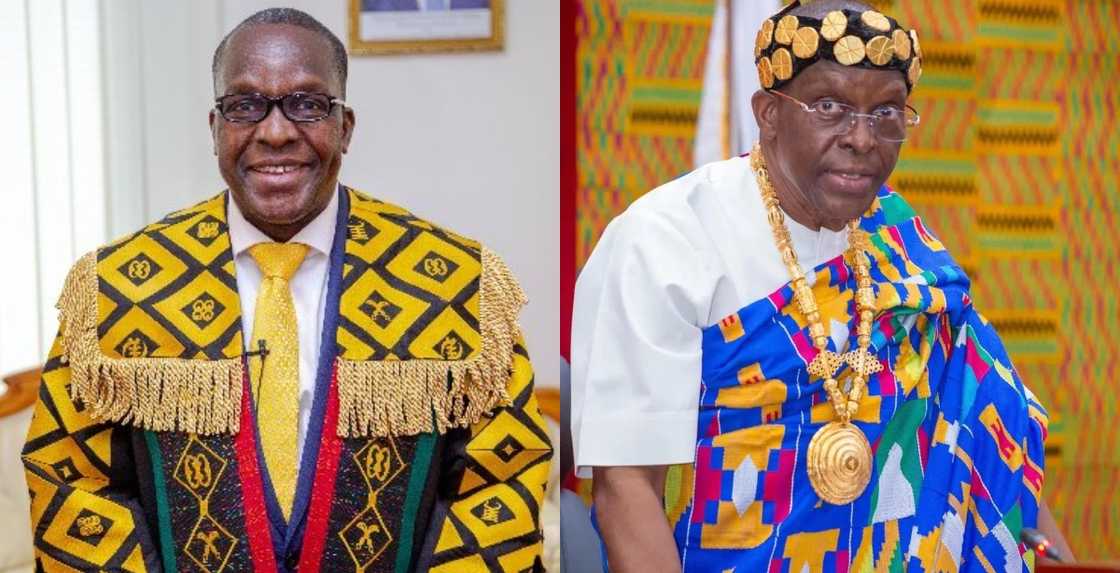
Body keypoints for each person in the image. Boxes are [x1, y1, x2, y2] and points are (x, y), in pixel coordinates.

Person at [22, 8, 550, 572]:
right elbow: (69, 479)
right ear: (215, 127)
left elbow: (501, 481)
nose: (275, 132)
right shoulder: (120, 285)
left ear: (344, 127)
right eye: (245, 106)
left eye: (307, 105)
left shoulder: (453, 282)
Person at [571, 1, 1060, 571]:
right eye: (830, 107)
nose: (862, 138)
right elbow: (626, 487)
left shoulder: (900, 240)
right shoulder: (664, 242)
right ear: (769, 113)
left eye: (887, 113)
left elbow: (990, 435)